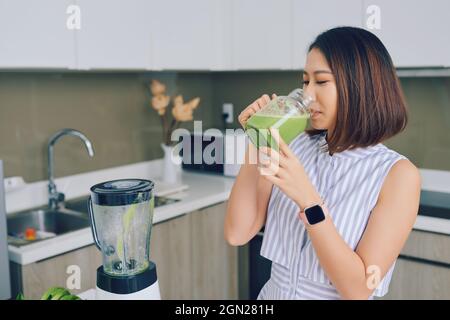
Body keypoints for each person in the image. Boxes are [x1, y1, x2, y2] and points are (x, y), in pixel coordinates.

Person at [224, 26, 421, 300]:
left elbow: (359, 289)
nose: (308, 95)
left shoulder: (397, 175)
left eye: (321, 82)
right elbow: (238, 232)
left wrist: (309, 202)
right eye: (305, 82)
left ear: (359, 85)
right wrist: (258, 141)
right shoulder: (294, 144)